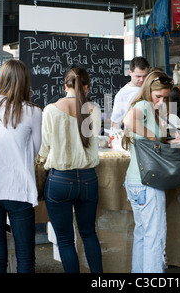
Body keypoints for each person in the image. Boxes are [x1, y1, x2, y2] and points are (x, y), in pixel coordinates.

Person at [0, 59, 42, 273]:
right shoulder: (33, 111)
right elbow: (34, 151)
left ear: (1, 80)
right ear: (25, 82)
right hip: (18, 190)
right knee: (25, 258)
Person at [122, 70, 180, 273]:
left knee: (143, 235)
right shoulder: (143, 105)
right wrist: (153, 136)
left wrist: (170, 139)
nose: (161, 101)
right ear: (148, 90)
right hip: (148, 183)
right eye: (158, 96)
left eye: (165, 98)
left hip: (136, 181)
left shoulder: (149, 108)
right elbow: (128, 122)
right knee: (155, 238)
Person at [39, 67, 103, 273]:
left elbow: (43, 149)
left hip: (60, 181)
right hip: (88, 179)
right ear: (86, 87)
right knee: (89, 234)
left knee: (66, 240)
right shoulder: (94, 109)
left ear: (64, 85)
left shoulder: (50, 110)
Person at [111, 57, 149, 128]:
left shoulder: (151, 88)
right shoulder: (122, 94)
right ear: (130, 73)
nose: (142, 79)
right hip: (132, 136)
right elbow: (115, 122)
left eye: (144, 76)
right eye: (138, 76)